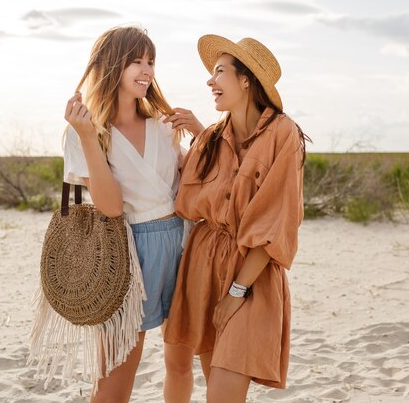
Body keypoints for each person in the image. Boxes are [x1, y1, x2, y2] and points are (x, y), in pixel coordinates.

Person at [163, 35, 308, 403]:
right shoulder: (211, 136)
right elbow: (186, 198)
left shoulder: (283, 134)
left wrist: (236, 291)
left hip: (252, 274)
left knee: (223, 394)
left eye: (219, 72)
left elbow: (277, 221)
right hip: (203, 264)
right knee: (216, 389)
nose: (210, 82)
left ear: (246, 80)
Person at [63, 26, 203, 403]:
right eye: (137, 61)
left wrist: (201, 135)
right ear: (113, 66)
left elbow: (194, 186)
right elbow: (109, 207)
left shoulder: (163, 125)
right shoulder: (84, 132)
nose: (147, 70)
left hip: (182, 242)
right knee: (115, 380)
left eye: (151, 61)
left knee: (180, 365)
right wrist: (90, 137)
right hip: (128, 254)